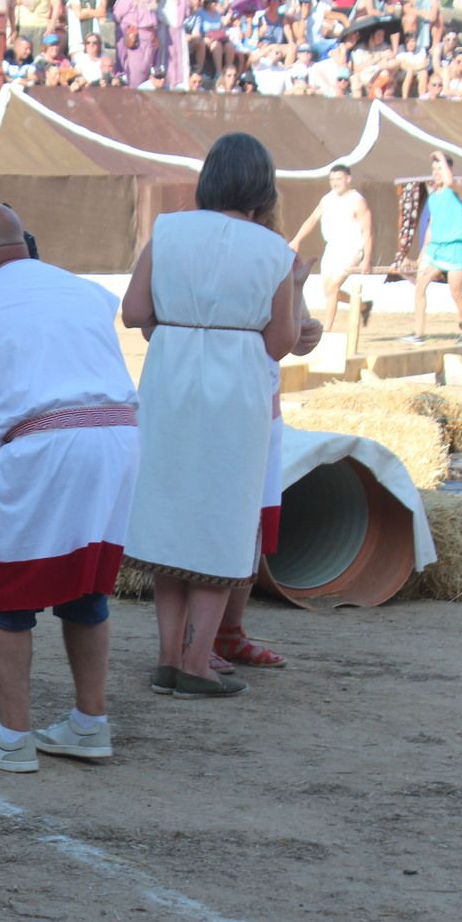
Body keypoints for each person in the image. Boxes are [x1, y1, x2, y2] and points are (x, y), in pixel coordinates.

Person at [0, 203, 139, 773]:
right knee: (85, 586)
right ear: (28, 243)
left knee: (5, 594)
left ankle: (12, 737)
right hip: (120, 438)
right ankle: (89, 723)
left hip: (45, 446)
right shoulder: (86, 291)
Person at [121, 132, 302, 699]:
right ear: (262, 187)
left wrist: (174, 327)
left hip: (170, 381)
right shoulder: (276, 252)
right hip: (237, 392)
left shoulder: (169, 231)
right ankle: (196, 663)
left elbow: (133, 312)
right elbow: (280, 342)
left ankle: (168, 656)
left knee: (171, 511)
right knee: (222, 516)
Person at [289, 164, 374, 332]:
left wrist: (367, 259)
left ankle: (326, 329)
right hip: (332, 248)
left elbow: (368, 232)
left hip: (352, 248)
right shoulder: (327, 199)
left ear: (348, 179)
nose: (335, 183)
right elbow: (312, 219)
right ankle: (363, 306)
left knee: (333, 286)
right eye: (332, 179)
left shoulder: (358, 201)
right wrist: (297, 239)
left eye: (338, 179)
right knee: (328, 290)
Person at [406, 151, 462, 344]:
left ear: (448, 169)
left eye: (440, 168)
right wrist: (422, 255)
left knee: (455, 293)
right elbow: (432, 227)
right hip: (436, 248)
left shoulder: (459, 187)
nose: (436, 172)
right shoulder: (434, 195)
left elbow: (450, 180)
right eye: (434, 169)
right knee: (420, 286)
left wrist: (442, 158)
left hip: (456, 248)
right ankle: (419, 333)